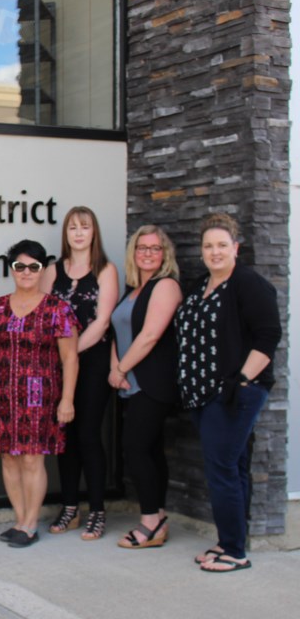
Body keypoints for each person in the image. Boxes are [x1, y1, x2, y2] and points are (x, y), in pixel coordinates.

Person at [176, 213, 281, 573]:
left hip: (235, 392)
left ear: (236, 248)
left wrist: (239, 382)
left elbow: (268, 337)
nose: (215, 251)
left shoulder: (248, 283)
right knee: (232, 468)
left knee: (221, 467)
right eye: (208, 246)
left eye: (222, 245)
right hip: (203, 393)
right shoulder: (201, 283)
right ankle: (228, 542)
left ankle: (236, 552)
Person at [0, 240, 79, 548]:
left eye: (34, 266)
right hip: (0, 395)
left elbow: (70, 357)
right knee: (8, 457)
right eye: (20, 266)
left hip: (40, 398)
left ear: (42, 269)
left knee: (33, 460)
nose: (27, 272)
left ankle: (31, 525)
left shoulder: (58, 310)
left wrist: (68, 399)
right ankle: (19, 519)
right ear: (12, 269)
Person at [41, 207, 118, 540]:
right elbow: (43, 314)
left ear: (93, 232)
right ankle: (70, 506)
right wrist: (58, 358)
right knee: (65, 436)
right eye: (73, 227)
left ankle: (97, 510)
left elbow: (102, 321)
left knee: (88, 433)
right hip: (57, 365)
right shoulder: (52, 270)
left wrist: (70, 353)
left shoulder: (105, 269)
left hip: (93, 360)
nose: (78, 233)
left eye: (84, 227)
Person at [109, 225, 182, 549]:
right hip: (130, 381)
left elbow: (150, 336)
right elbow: (117, 330)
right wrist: (116, 368)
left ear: (165, 254)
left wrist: (121, 369)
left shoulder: (165, 286)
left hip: (153, 382)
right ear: (133, 253)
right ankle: (160, 516)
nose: (148, 253)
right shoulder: (133, 289)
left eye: (155, 248)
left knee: (135, 448)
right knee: (150, 450)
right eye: (142, 248)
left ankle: (150, 522)